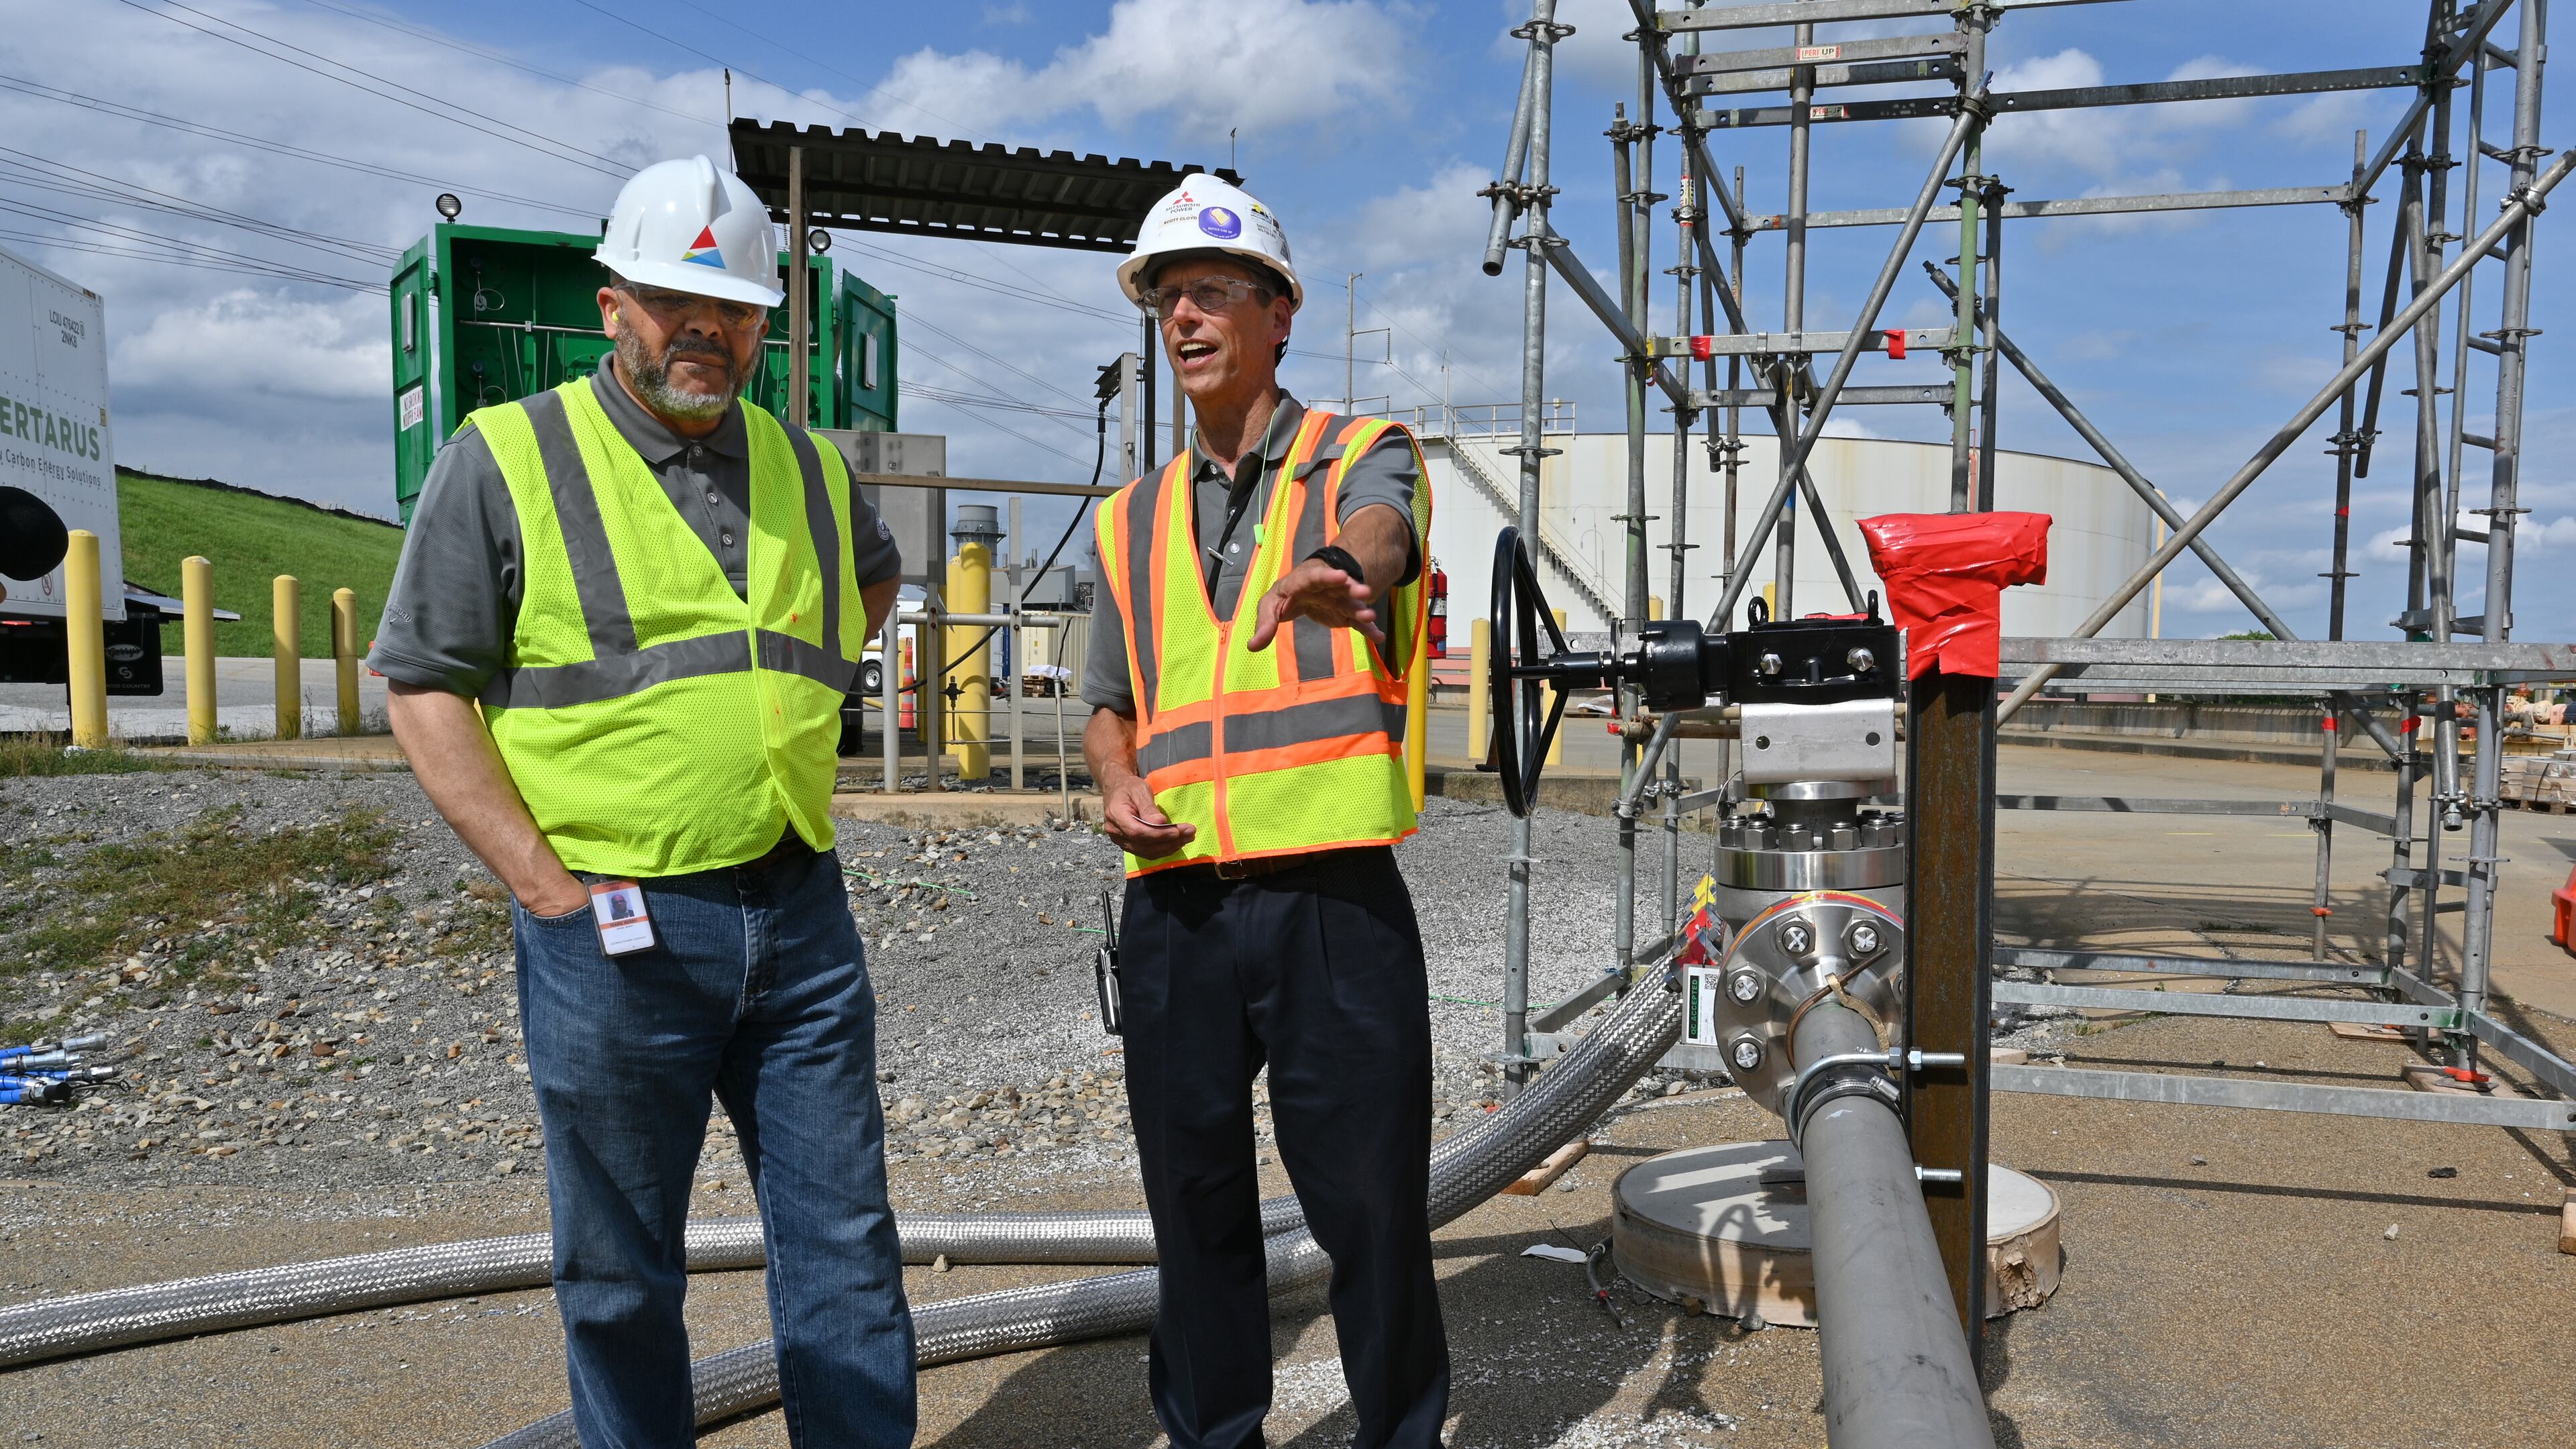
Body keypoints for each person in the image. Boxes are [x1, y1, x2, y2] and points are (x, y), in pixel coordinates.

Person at [370, 156, 913, 1448]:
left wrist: (776, 712)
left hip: (798, 911)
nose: (705, 331)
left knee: (844, 1250)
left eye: (733, 310)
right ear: (613, 301)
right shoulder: (505, 457)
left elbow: (869, 588)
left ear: (766, 323)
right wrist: (548, 890)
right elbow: (424, 689)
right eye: (676, 299)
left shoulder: (808, 467)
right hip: (611, 927)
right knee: (620, 1278)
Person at [1081, 173, 1448, 1449]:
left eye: (1212, 293)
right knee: (1192, 1212)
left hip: (1331, 900)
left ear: (1280, 312)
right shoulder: (1126, 521)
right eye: (1166, 297)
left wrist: (1349, 570)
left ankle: (1398, 1432)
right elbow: (1109, 701)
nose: (1183, 317)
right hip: (1174, 906)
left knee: (1371, 1209)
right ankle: (1213, 1435)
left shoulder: (1358, 454)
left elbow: (1385, 529)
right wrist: (1115, 777)